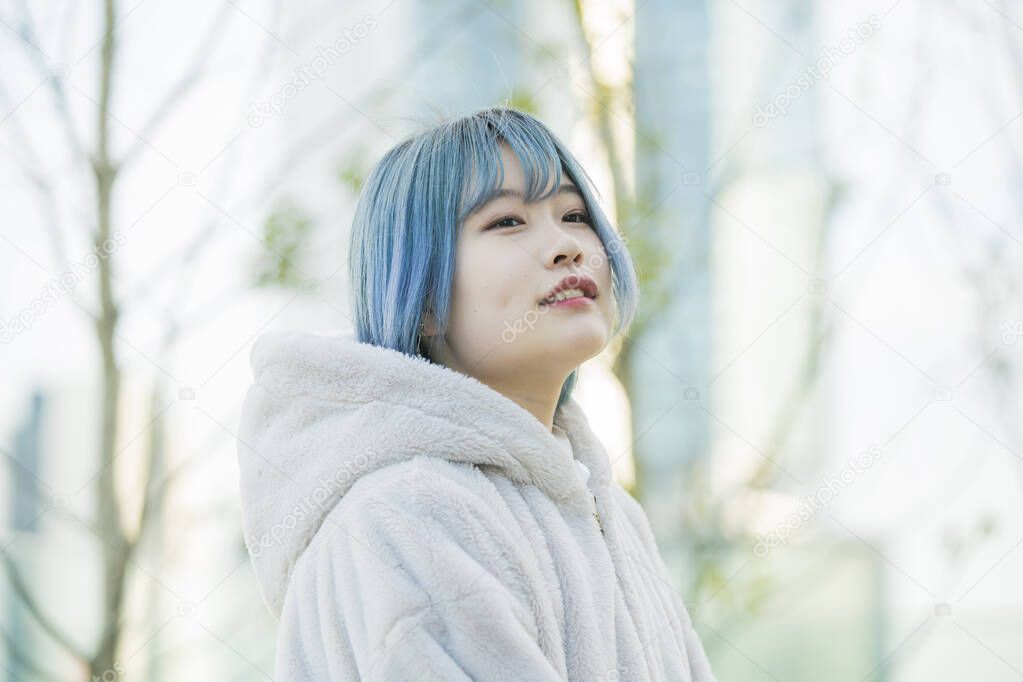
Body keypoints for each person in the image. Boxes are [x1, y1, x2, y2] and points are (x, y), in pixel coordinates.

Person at [237, 106, 717, 681]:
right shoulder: (408, 514)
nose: (566, 245)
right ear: (425, 299)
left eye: (573, 213)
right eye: (507, 222)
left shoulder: (612, 513)